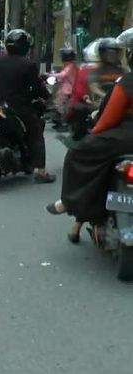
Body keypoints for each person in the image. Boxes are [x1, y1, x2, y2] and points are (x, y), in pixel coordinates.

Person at [47, 28, 133, 244]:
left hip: (123, 135)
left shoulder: (127, 80)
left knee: (78, 152)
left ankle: (69, 201)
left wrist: (94, 133)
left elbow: (109, 118)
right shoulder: (93, 70)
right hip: (90, 106)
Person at [0, 28, 55, 183]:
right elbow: (37, 88)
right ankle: (41, 171)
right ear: (24, 46)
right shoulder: (27, 64)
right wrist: (47, 98)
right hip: (18, 109)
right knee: (35, 133)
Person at [68, 38, 127, 140]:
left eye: (115, 51)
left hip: (122, 104)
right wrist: (108, 97)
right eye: (110, 51)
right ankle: (81, 138)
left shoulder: (124, 70)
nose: (113, 54)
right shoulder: (95, 71)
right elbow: (94, 88)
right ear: (102, 53)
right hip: (101, 103)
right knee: (79, 108)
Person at [50, 48, 79, 122]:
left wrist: (49, 74)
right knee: (58, 102)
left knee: (59, 103)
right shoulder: (69, 65)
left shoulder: (70, 66)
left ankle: (62, 119)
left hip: (68, 89)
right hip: (67, 87)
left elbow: (62, 75)